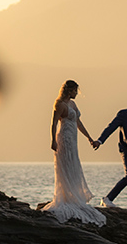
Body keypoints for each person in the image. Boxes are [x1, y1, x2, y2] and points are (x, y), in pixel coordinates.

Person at [42, 80, 105, 226]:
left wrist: (89, 138)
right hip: (64, 138)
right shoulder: (59, 104)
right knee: (65, 165)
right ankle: (66, 197)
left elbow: (78, 123)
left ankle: (74, 195)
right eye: (75, 91)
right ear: (69, 90)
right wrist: (53, 140)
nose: (77, 93)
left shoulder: (73, 104)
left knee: (74, 165)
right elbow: (54, 123)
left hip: (73, 138)